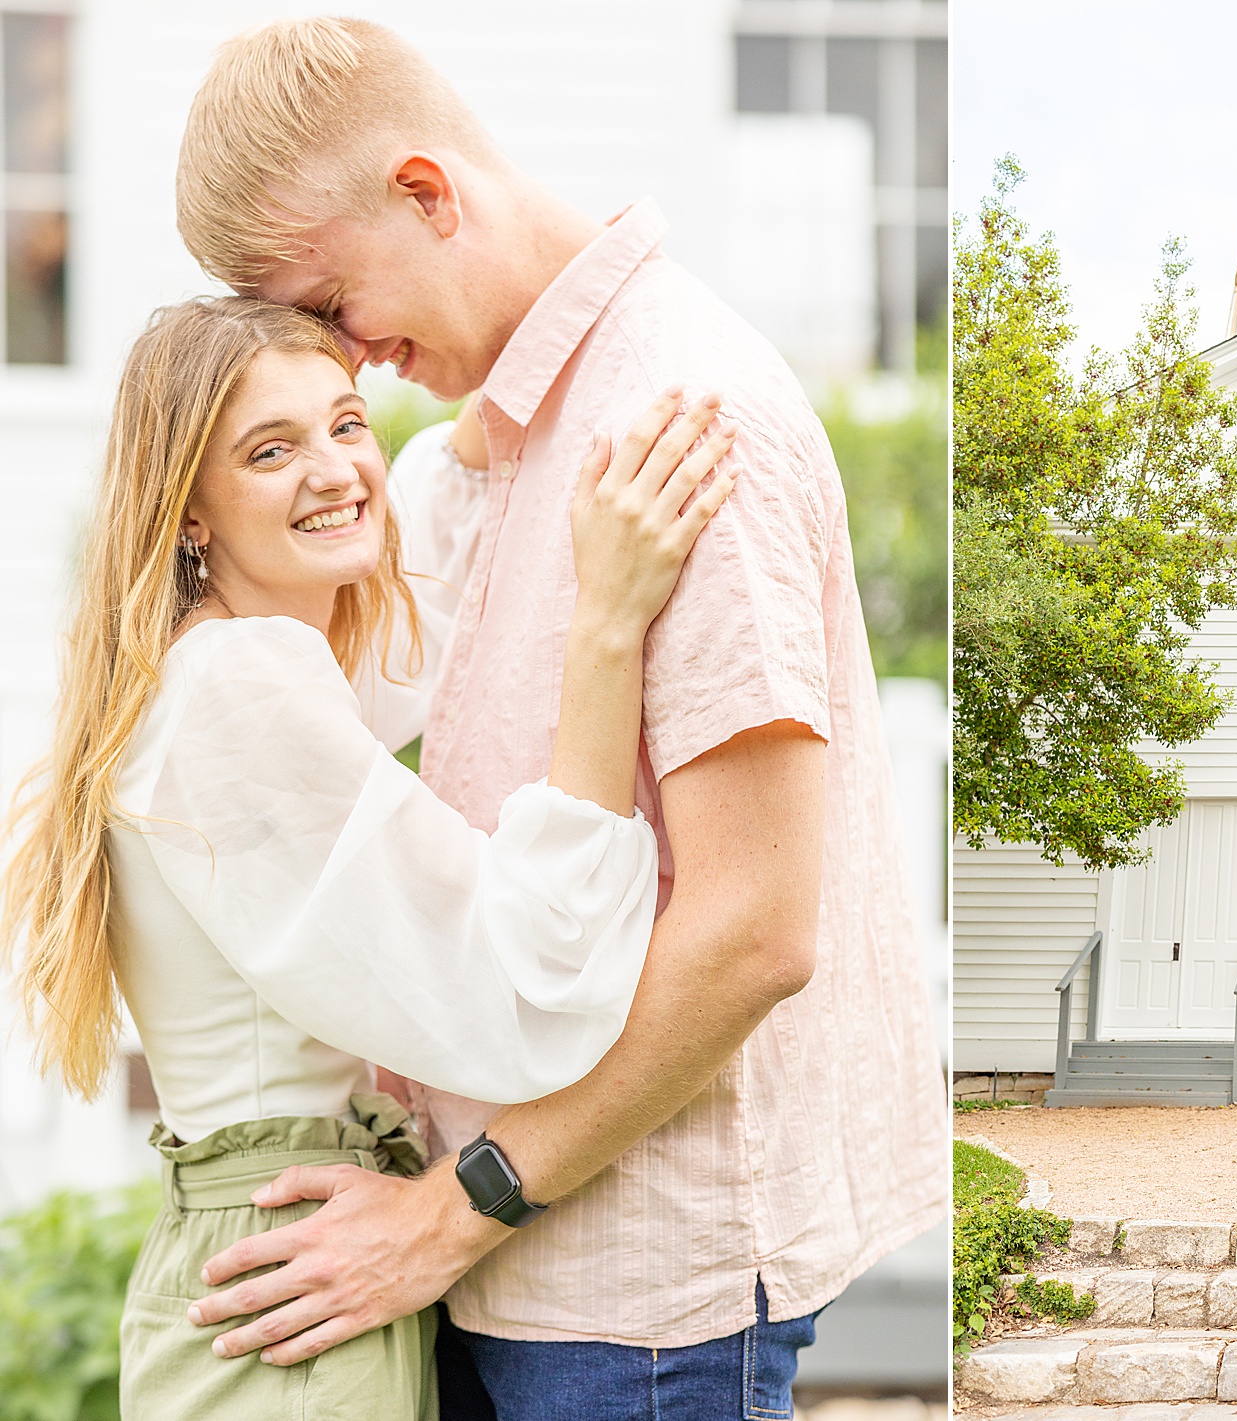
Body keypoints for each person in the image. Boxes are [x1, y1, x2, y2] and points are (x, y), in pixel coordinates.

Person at [170, 18, 948, 1417]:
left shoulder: (676, 422)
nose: (346, 355)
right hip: (524, 1276)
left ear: (425, 193)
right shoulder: (518, 429)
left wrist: (453, 1212)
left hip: (633, 1312)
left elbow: (755, 929)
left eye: (335, 303)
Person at [0, 296, 736, 1419]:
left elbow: (418, 600)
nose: (338, 468)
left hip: (271, 1250)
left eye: (348, 423)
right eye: (269, 449)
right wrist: (607, 625)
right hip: (293, 1283)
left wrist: (495, 373)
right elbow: (530, 978)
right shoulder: (237, 690)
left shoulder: (206, 667)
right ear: (190, 512)